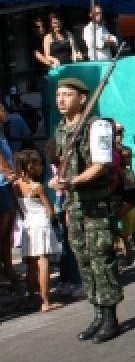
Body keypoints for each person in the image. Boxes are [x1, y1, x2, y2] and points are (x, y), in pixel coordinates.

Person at [49, 77, 121, 344]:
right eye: (58, 95)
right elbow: (60, 164)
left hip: (96, 203)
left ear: (82, 98)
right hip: (75, 205)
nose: (61, 99)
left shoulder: (97, 126)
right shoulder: (61, 129)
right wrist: (57, 183)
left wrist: (73, 182)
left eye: (67, 94)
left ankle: (111, 317)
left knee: (101, 258)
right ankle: (98, 313)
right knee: (83, 260)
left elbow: (101, 164)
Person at [14, 150, 61, 312]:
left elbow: (19, 209)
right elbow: (49, 209)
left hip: (28, 224)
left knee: (31, 265)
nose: (42, 167)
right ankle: (46, 301)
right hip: (41, 224)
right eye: (39, 164)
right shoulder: (37, 187)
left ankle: (32, 299)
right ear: (30, 166)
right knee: (44, 262)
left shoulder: (16, 185)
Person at [44, 138, 82, 298]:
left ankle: (65, 282)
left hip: (60, 201)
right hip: (66, 200)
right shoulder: (63, 164)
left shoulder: (55, 162)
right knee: (71, 244)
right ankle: (75, 282)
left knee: (66, 245)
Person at [0, 103, 20, 283]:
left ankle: (8, 268)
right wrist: (10, 175)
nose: (5, 113)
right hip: (1, 185)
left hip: (6, 185)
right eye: (2, 110)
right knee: (2, 231)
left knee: (7, 233)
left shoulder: (2, 133)